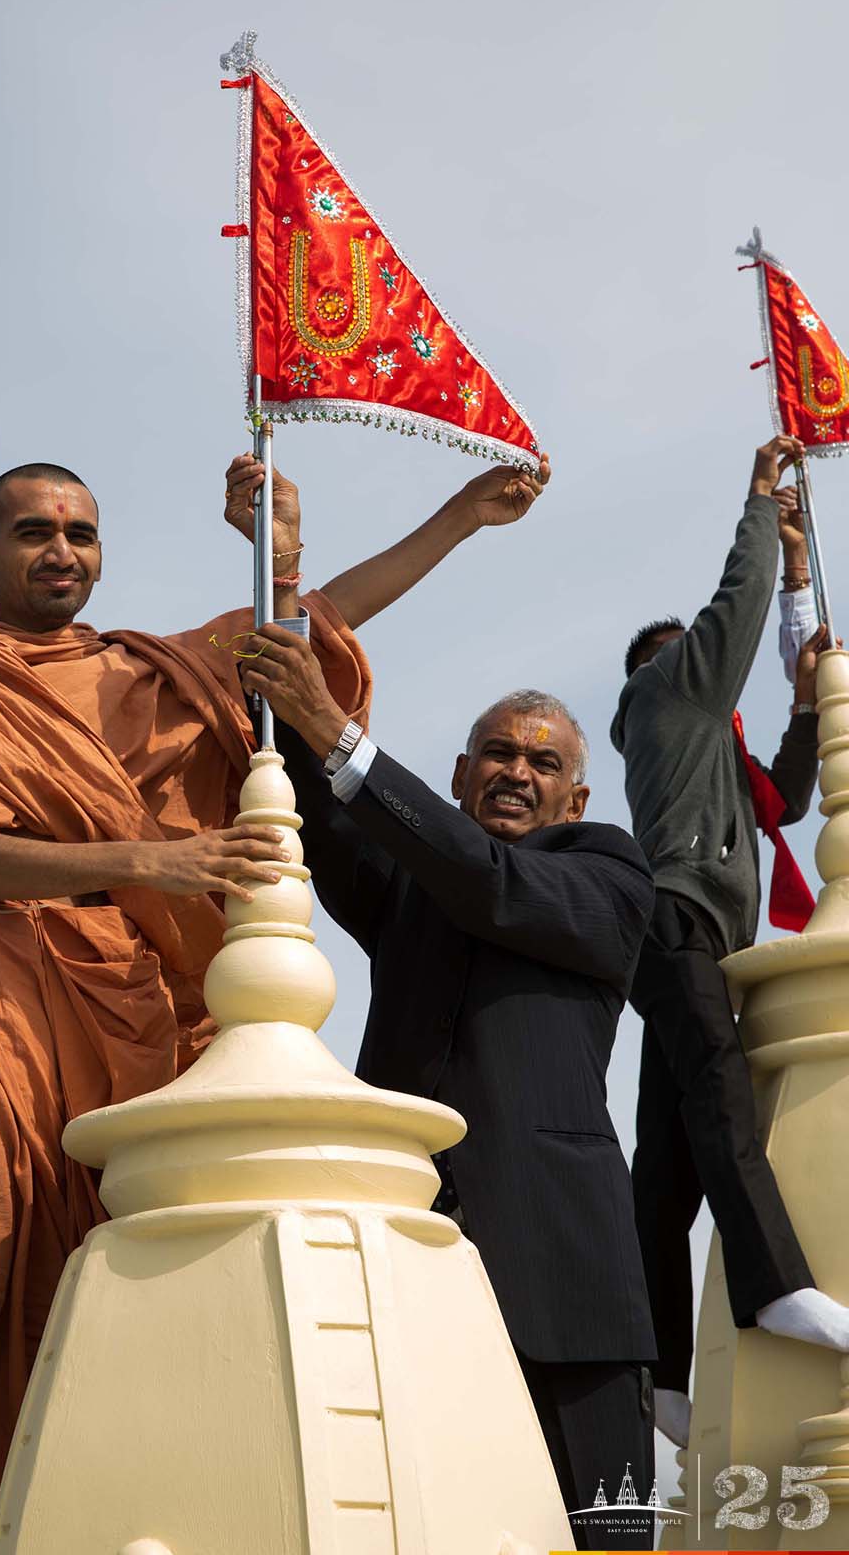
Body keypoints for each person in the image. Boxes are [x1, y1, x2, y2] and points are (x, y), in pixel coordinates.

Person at [0, 449, 548, 1555]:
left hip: (150, 996)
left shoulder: (158, 670)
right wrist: (157, 858)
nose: (61, 552)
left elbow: (313, 624)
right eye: (35, 532)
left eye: (81, 533)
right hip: (7, 987)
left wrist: (459, 516)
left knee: (147, 1251)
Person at [242, 633, 658, 1548]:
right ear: (461, 773)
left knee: (607, 1537)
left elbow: (490, 882)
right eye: (499, 755)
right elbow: (306, 786)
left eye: (542, 762)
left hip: (569, 1297)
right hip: (406, 1268)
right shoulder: (410, 885)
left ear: (576, 798)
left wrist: (336, 727)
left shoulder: (611, 875)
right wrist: (285, 575)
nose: (518, 772)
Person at [612, 434, 849, 1451]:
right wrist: (762, 512)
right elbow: (735, 614)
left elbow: (787, 800)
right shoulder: (660, 696)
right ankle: (775, 1287)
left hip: (689, 932)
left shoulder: (715, 755)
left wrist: (808, 700)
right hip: (674, 918)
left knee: (664, 1164)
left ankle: (662, 1371)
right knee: (720, 1098)